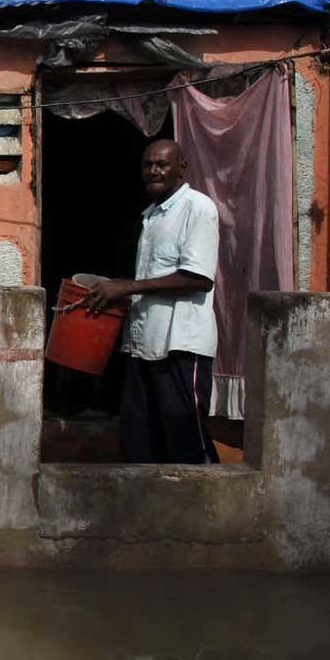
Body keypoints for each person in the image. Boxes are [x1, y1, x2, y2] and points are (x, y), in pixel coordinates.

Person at [79, 139, 220, 464]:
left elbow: (199, 278)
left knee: (186, 443)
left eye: (162, 164)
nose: (154, 171)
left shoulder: (197, 208)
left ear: (181, 167)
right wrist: (115, 292)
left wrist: (126, 287)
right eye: (148, 165)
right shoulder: (153, 216)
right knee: (142, 444)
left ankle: (208, 511)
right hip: (143, 347)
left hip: (181, 347)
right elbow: (147, 284)